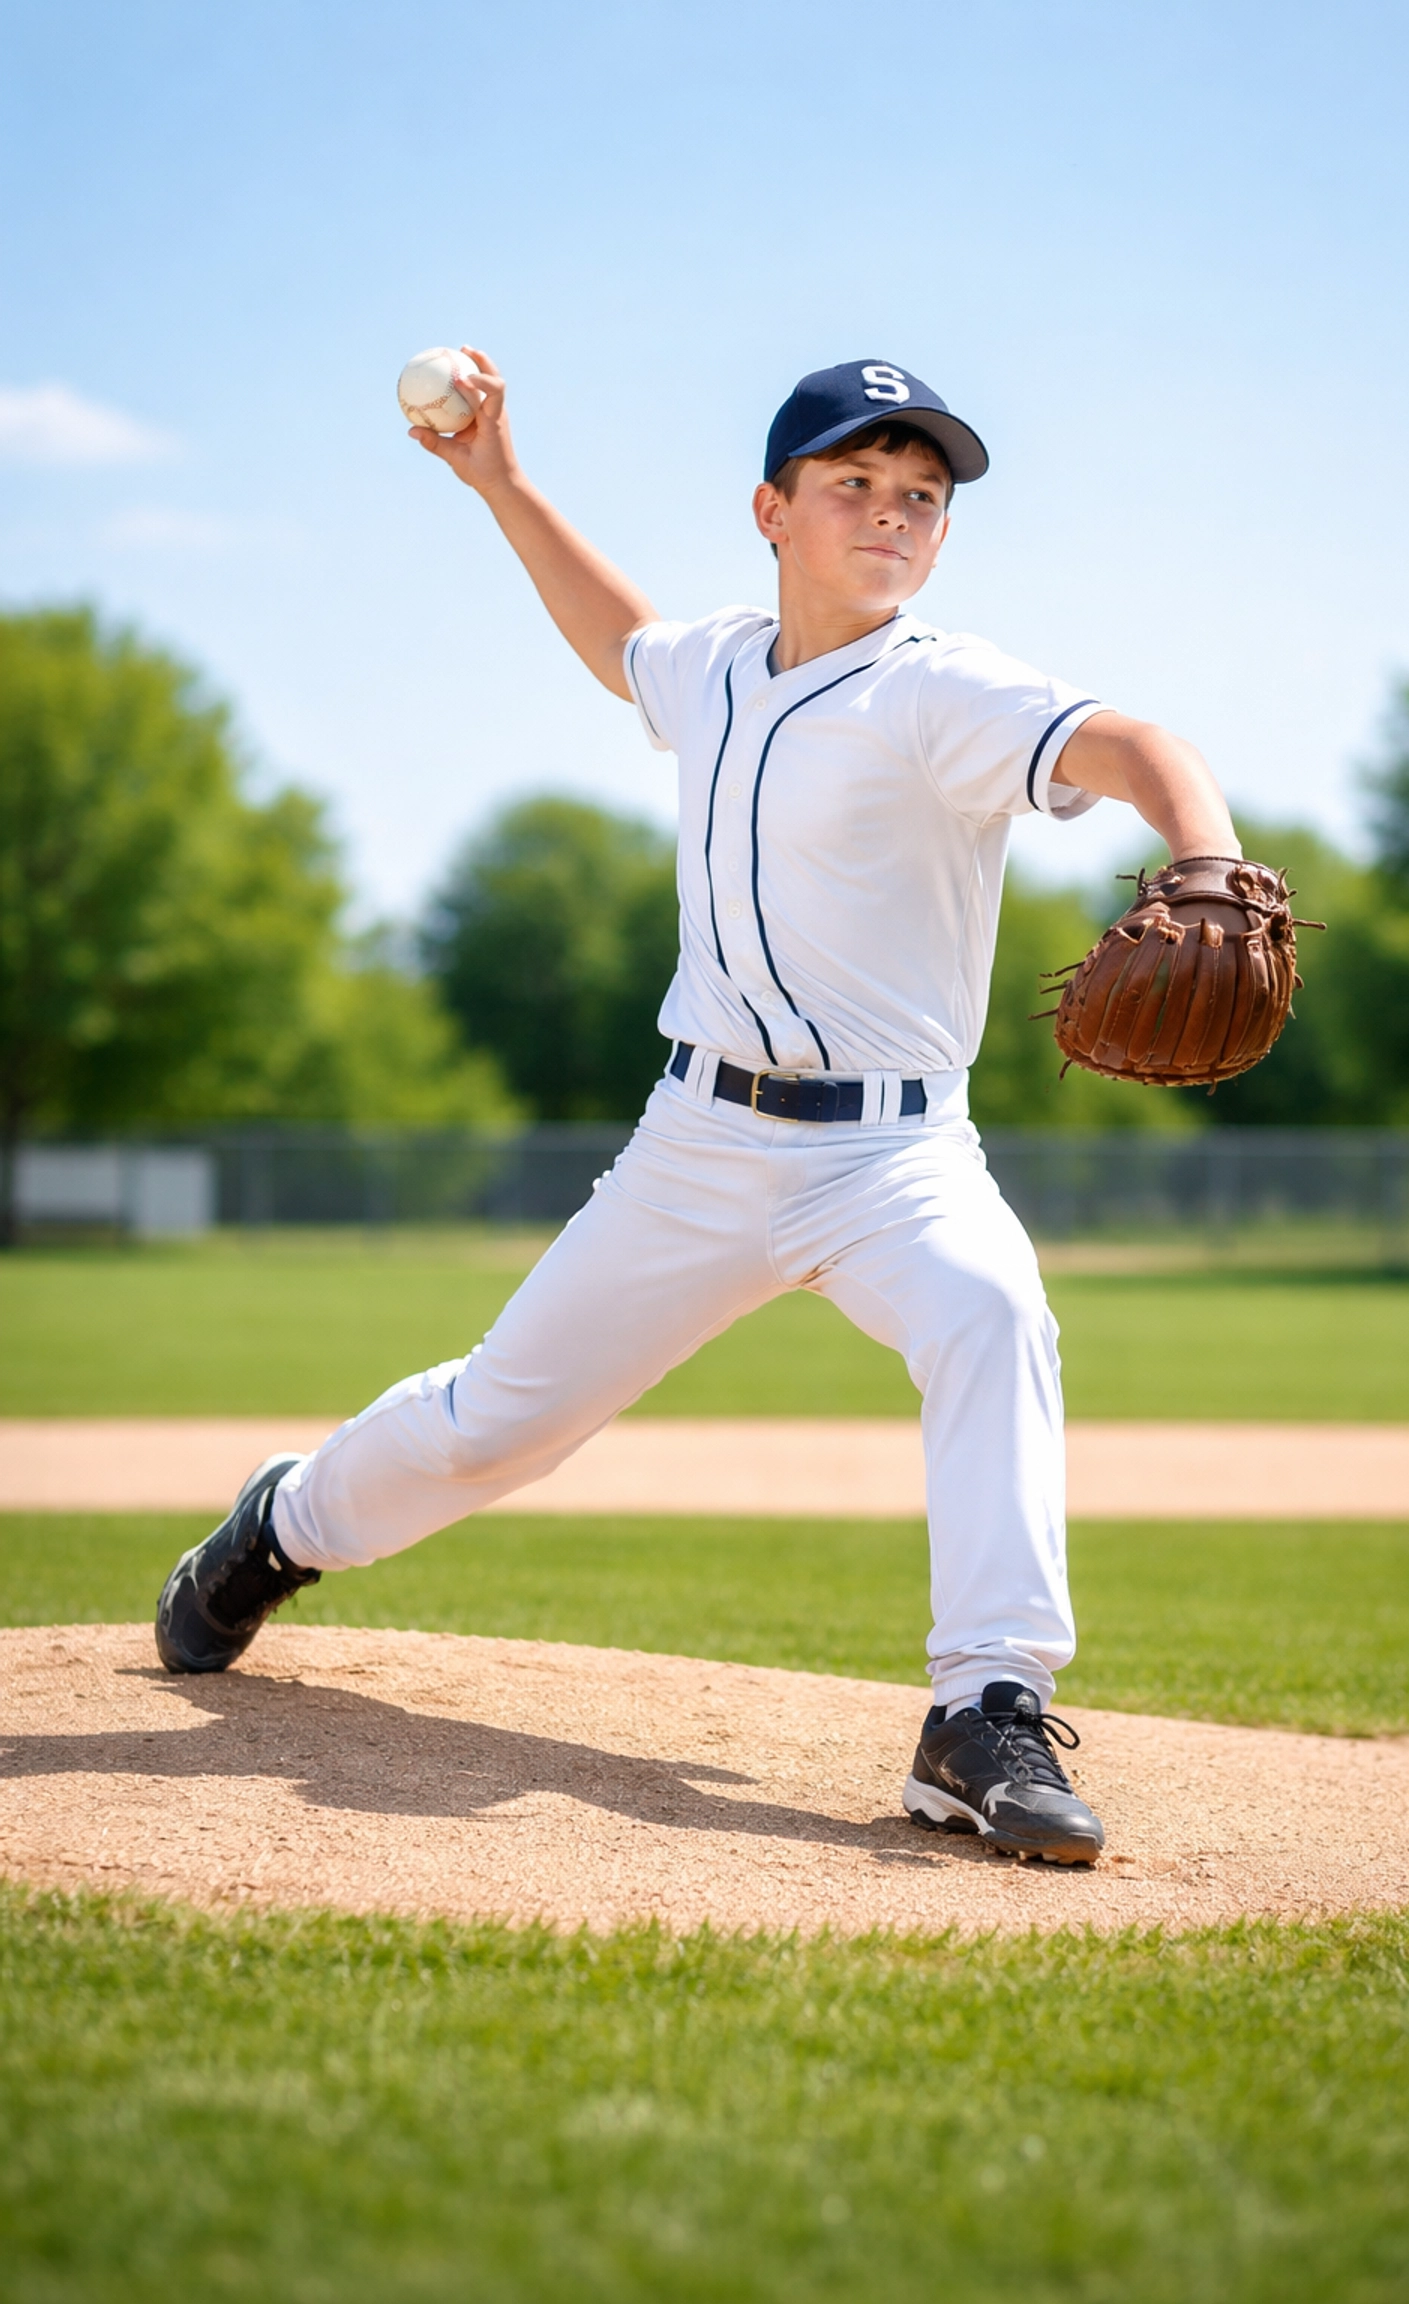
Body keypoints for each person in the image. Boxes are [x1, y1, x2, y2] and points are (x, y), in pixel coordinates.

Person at [155, 353, 1242, 1866]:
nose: (893, 514)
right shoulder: (723, 667)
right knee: (490, 1428)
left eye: (921, 497)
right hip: (701, 1145)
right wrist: (500, 482)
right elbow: (623, 644)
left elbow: (1138, 746)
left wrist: (1205, 854)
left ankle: (984, 1707)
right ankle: (279, 1526)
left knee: (992, 1312)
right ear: (772, 511)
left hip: (894, 1153)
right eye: (855, 484)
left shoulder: (945, 688)